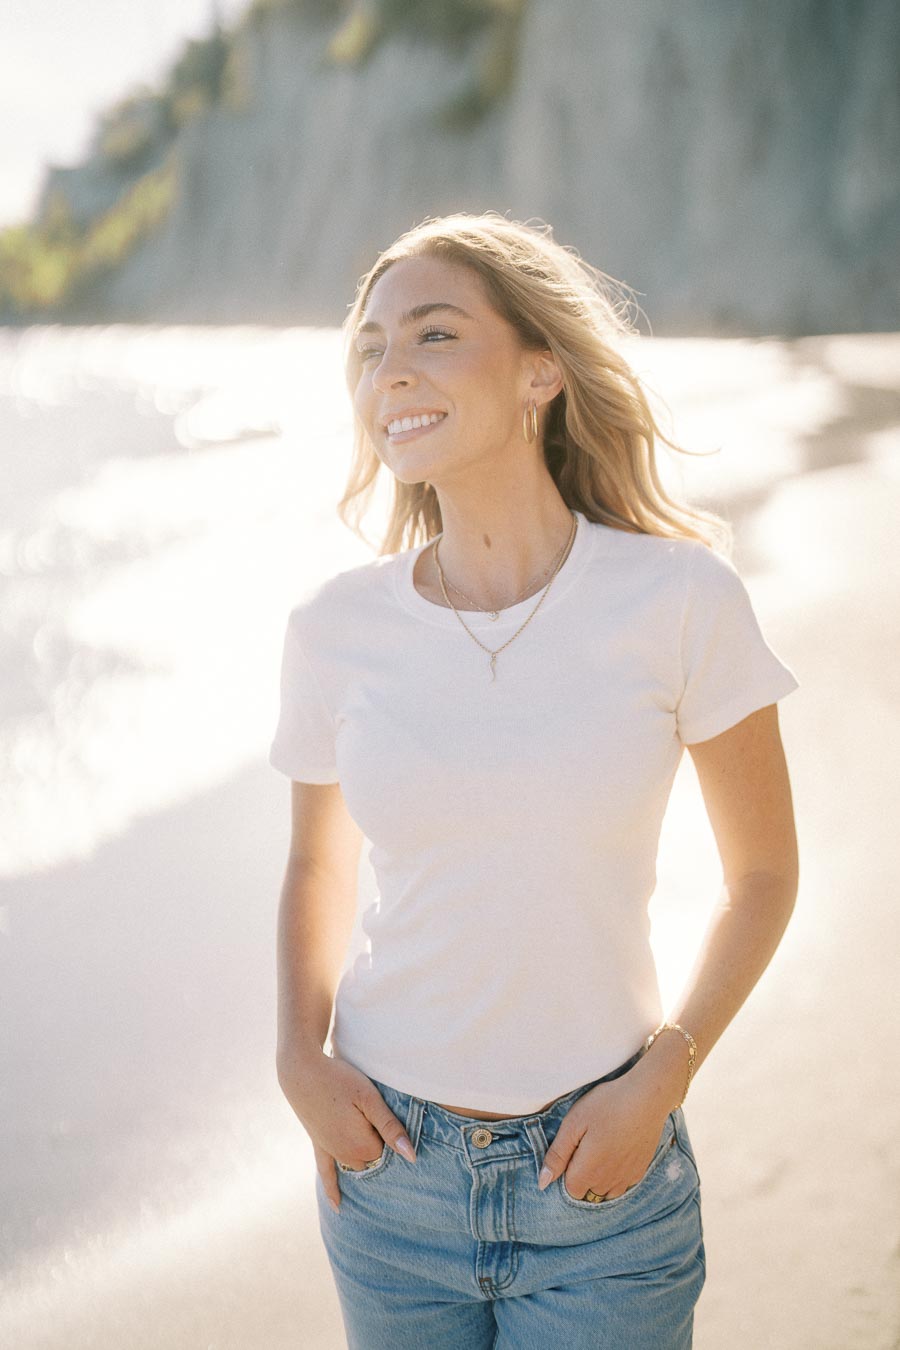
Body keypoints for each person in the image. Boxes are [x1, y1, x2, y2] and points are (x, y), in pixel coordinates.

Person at [268, 212, 800, 1349]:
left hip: (602, 1177)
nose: (390, 370)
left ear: (539, 374)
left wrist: (665, 1077)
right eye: (370, 348)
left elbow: (762, 874)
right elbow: (318, 863)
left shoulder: (682, 601)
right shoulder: (334, 628)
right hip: (388, 1174)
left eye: (435, 333)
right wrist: (294, 1060)